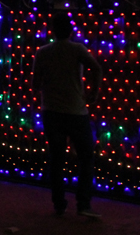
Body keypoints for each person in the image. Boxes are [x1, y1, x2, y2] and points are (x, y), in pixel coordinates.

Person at [32, 12, 103, 218]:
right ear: (71, 30)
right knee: (86, 157)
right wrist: (93, 93)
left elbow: (35, 84)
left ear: (52, 30)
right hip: (76, 110)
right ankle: (83, 204)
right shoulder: (77, 49)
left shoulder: (43, 52)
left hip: (51, 111)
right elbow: (96, 68)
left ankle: (59, 204)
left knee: (57, 158)